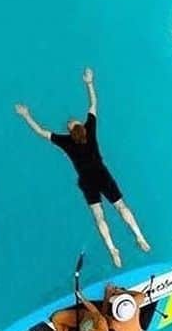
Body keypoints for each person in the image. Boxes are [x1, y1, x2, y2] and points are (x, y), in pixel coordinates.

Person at [14, 66, 149, 267]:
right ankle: (139, 236)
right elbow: (93, 104)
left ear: (70, 131)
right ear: (80, 127)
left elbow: (41, 132)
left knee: (99, 217)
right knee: (121, 207)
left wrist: (26, 115)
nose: (70, 120)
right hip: (102, 174)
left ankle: (113, 250)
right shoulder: (90, 130)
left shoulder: (65, 142)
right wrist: (89, 83)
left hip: (87, 181)